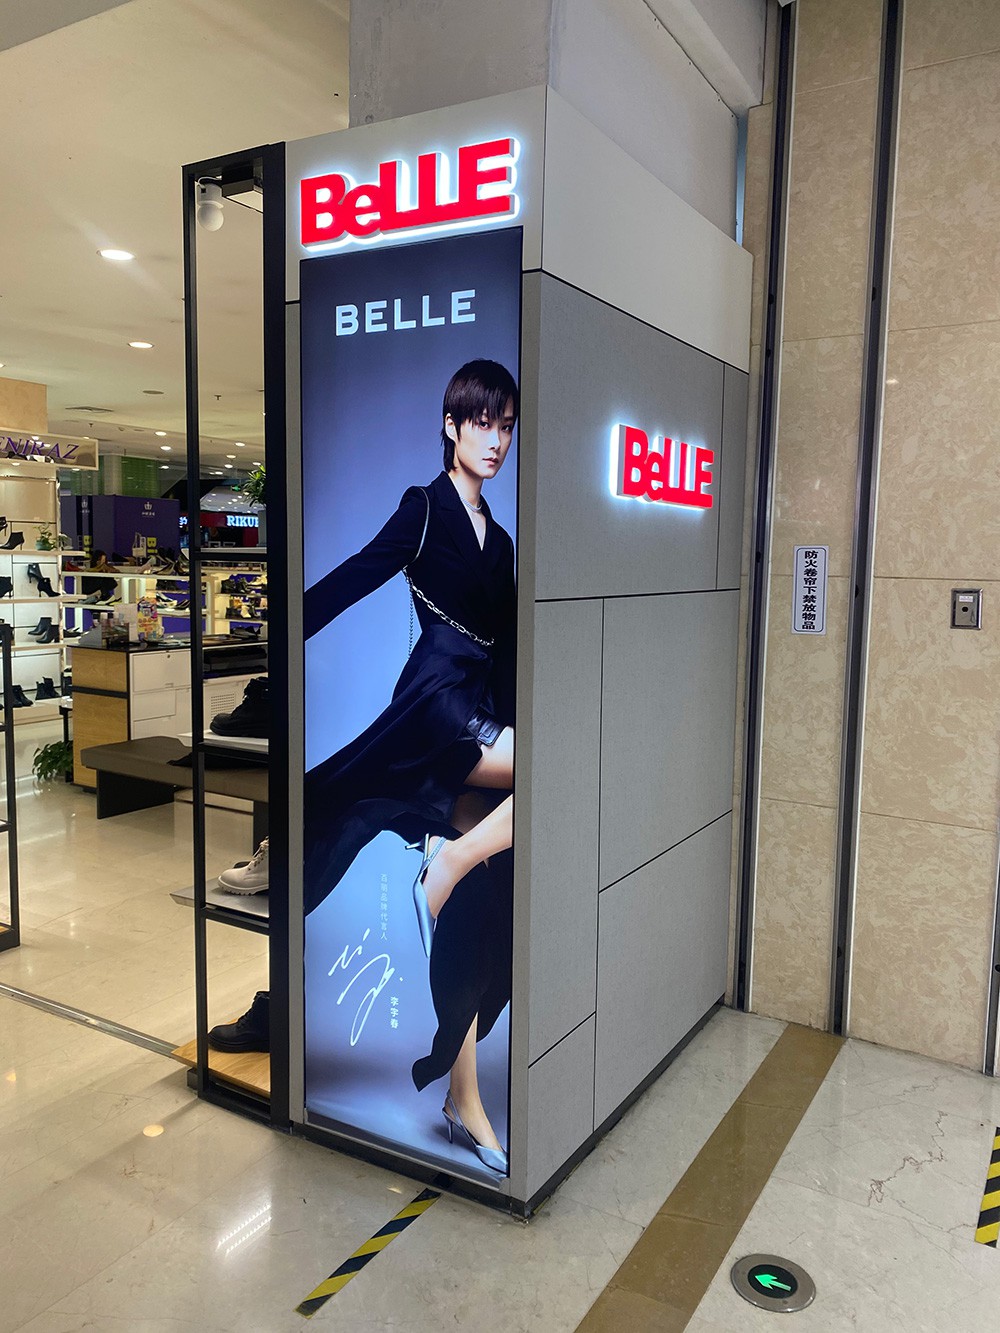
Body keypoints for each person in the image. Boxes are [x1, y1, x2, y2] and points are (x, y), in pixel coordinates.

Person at [304, 358, 518, 1173]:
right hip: (436, 704)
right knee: (529, 794)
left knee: (481, 901)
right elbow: (355, 575)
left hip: (483, 707)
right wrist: (277, 644)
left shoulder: (501, 540)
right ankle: (445, 865)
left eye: (506, 426)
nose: (496, 440)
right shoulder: (423, 508)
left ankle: (463, 1097)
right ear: (450, 426)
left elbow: (510, 648)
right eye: (482, 423)